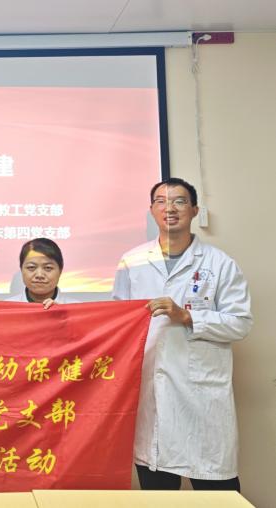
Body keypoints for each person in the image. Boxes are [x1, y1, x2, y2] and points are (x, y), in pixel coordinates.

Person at [112, 177, 252, 491]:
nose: (170, 208)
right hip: (150, 393)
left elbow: (240, 322)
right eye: (161, 201)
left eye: (179, 201)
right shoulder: (131, 262)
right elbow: (116, 321)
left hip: (202, 395)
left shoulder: (219, 263)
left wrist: (187, 316)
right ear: (152, 210)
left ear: (194, 210)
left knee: (217, 490)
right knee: (159, 492)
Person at [7, 238, 75, 307]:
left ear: (60, 270)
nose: (39, 275)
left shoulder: (75, 308)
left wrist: (63, 312)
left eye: (48, 268)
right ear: (21, 269)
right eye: (31, 267)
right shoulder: (7, 308)